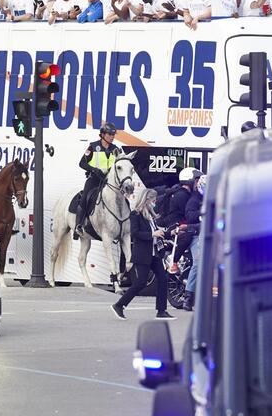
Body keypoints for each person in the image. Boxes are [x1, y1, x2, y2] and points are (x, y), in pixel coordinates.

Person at [110, 190, 174, 321]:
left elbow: (157, 232)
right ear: (146, 200)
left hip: (154, 253)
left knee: (163, 278)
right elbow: (135, 233)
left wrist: (170, 232)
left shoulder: (151, 216)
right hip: (142, 254)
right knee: (140, 282)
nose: (155, 203)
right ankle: (119, 305)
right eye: (153, 201)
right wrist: (152, 235)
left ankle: (161, 310)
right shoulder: (136, 215)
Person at [74, 123, 123, 239]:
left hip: (108, 181)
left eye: (113, 134)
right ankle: (79, 226)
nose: (112, 137)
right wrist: (94, 170)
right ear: (103, 135)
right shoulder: (93, 146)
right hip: (94, 179)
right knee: (85, 198)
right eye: (110, 134)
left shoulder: (115, 149)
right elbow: (82, 163)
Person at [183, 175, 207, 312]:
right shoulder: (194, 200)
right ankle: (188, 297)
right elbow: (190, 216)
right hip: (195, 235)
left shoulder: (212, 199)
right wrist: (203, 213)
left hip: (210, 235)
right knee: (198, 263)